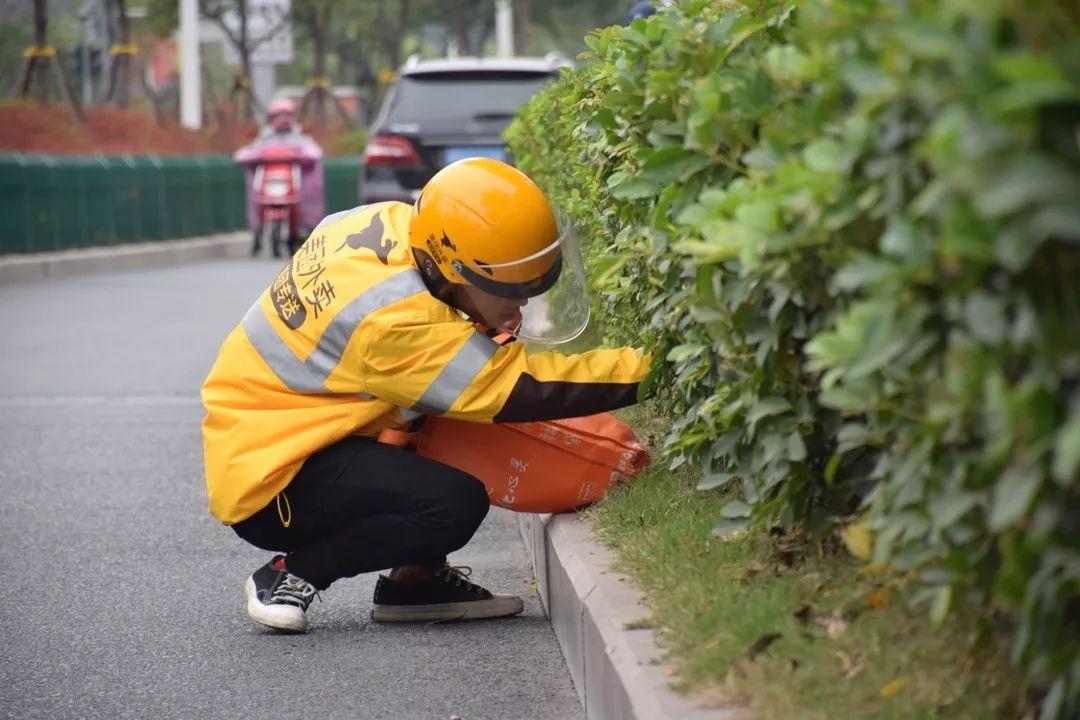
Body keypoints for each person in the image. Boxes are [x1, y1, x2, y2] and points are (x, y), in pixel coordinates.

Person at [201, 158, 652, 633]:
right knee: (451, 503)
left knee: (433, 419)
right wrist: (657, 369)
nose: (520, 304)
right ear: (454, 271)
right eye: (509, 291)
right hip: (275, 478)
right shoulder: (394, 324)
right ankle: (293, 574)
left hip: (291, 428)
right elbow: (521, 389)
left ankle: (415, 582)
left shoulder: (395, 224)